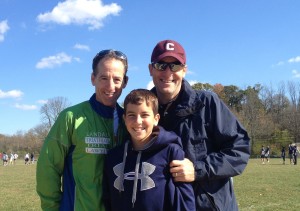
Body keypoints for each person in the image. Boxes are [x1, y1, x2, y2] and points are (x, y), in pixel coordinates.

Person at [148, 39, 251, 210]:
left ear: (184, 70)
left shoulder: (207, 103)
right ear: (151, 69)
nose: (168, 72)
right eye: (161, 65)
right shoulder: (143, 111)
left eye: (175, 66)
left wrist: (197, 170)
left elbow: (239, 149)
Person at [36, 49, 129, 211]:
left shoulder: (130, 122)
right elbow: (48, 168)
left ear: (125, 82)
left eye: (117, 79)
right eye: (104, 78)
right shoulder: (70, 118)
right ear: (93, 79)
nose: (110, 86)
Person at [102, 89, 195, 211]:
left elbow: (184, 201)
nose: (138, 121)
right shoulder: (113, 156)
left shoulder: (171, 152)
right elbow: (108, 199)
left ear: (156, 118)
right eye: (131, 115)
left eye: (144, 115)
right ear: (124, 119)